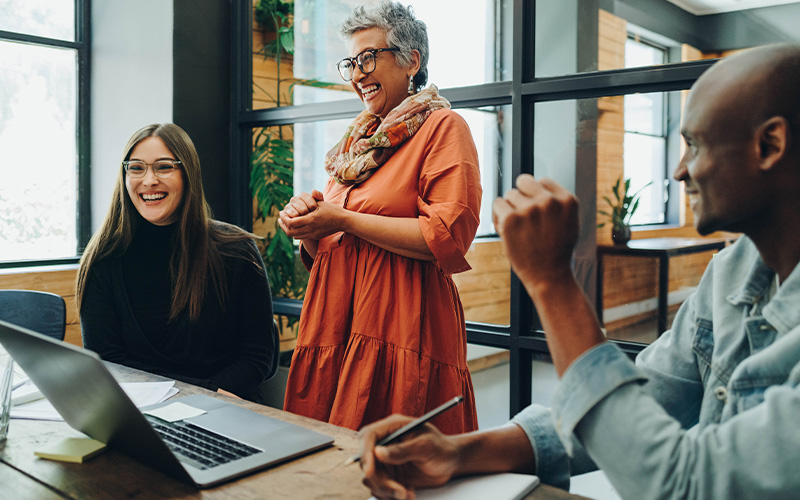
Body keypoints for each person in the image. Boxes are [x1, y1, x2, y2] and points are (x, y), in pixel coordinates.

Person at [357, 43, 800, 500]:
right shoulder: (731, 271)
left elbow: (681, 483)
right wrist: (458, 451)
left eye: (696, 145)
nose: (679, 170)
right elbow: (642, 403)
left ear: (770, 145)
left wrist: (552, 282)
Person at [279, 1, 481, 434]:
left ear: (412, 60)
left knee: (399, 463)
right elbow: (329, 250)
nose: (357, 74)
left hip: (402, 326)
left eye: (369, 57)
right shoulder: (356, 144)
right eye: (351, 62)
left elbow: (445, 236)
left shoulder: (444, 127)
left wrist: (343, 220)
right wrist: (309, 226)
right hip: (335, 323)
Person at [76, 123, 277, 403]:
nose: (148, 180)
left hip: (223, 407)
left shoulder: (236, 250)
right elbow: (108, 362)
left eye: (164, 167)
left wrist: (198, 399)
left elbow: (258, 359)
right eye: (136, 168)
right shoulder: (103, 258)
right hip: (140, 413)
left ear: (188, 174)